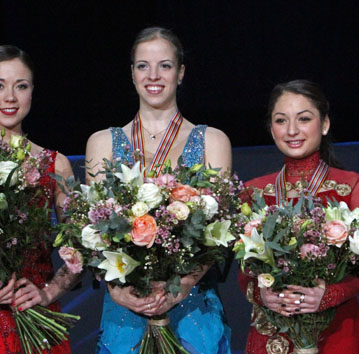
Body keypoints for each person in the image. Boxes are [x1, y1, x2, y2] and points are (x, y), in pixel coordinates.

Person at [85, 27, 232, 354]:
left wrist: (185, 282)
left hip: (193, 307)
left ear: (180, 73)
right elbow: (94, 230)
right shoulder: (102, 143)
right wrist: (114, 288)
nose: (153, 75)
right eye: (143, 65)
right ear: (132, 73)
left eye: (164, 65)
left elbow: (219, 233)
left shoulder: (213, 141)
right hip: (126, 307)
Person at [0, 45, 79, 354]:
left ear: (32, 91)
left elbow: (81, 247)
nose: (10, 97)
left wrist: (49, 293)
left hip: (40, 318)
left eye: (21, 86)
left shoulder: (55, 164)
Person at [238, 80, 359, 353]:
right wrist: (262, 294)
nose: (291, 130)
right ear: (271, 128)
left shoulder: (353, 187)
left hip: (336, 331)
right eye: (281, 120)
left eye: (304, 119)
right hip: (271, 334)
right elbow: (244, 272)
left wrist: (325, 297)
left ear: (324, 124)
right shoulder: (252, 191)